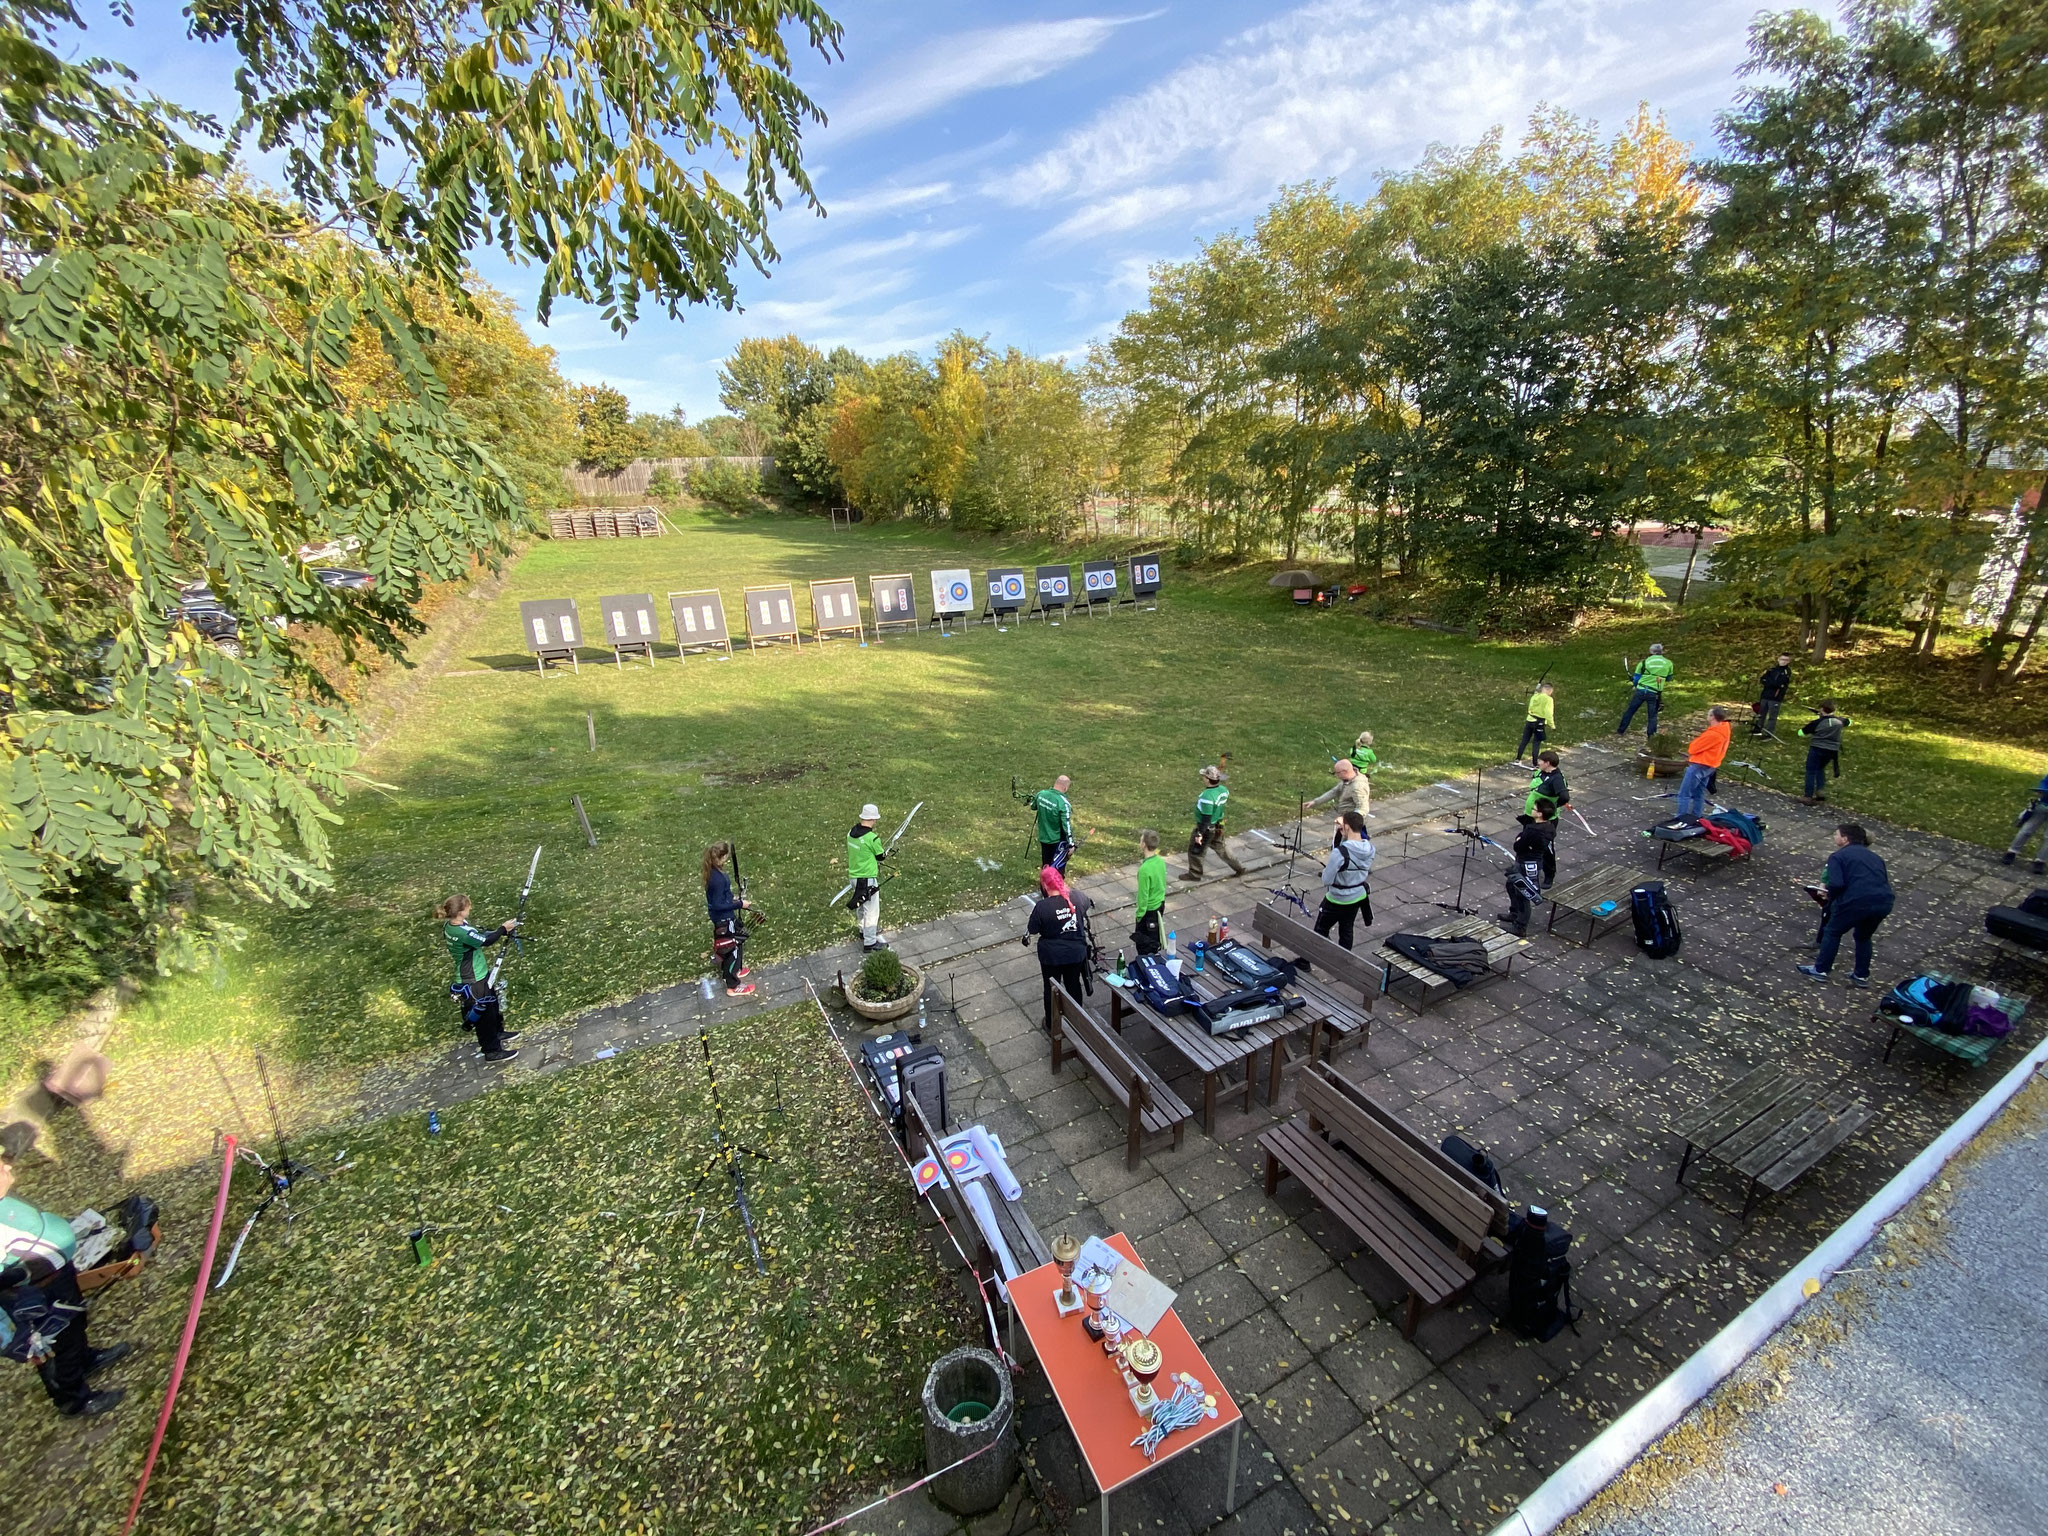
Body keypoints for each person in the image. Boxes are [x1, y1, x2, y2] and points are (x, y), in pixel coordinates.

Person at [1, 1158, 134, 1418]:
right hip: (35, 1294)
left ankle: (84, 1360)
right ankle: (73, 1401)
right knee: (54, 1346)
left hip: (58, 1274)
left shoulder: (5, 1198)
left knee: (74, 1325)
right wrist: (9, 1337)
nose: (8, 1167)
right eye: (0, 1166)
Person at [1799, 824, 1894, 985]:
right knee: (1863, 937)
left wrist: (1828, 895)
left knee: (1833, 932)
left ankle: (1821, 969)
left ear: (1845, 839)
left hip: (1855, 902)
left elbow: (1837, 884)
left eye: (1836, 834)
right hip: (1883, 902)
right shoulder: (1876, 857)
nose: (1834, 837)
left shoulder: (1838, 857)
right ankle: (1861, 975)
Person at [437, 894, 520, 1063]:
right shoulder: (463, 932)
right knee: (485, 1015)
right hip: (474, 979)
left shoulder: (450, 926)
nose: (470, 909)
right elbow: (486, 941)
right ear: (460, 912)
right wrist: (503, 929)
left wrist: (498, 932)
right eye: (468, 907)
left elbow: (480, 936)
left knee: (493, 1004)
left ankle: (498, 1032)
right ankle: (492, 1051)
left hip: (479, 974)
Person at [1023, 866, 1094, 1032]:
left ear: (1045, 886)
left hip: (1051, 958)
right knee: (1073, 985)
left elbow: (1033, 929)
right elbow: (1087, 904)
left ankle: (1051, 1024)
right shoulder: (1076, 897)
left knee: (1051, 989)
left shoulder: (1042, 907)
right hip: (1075, 954)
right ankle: (1076, 1022)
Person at [1314, 811, 1374, 950]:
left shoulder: (1340, 853)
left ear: (1346, 828)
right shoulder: (1370, 849)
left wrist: (1326, 872)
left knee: (1320, 931)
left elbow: (1326, 880)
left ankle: (1306, 962)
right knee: (1346, 932)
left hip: (1336, 899)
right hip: (1357, 897)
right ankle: (1343, 965)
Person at [703, 842, 754, 997]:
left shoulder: (714, 871)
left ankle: (736, 969)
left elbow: (721, 897)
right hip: (724, 919)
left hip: (724, 916)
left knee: (736, 944)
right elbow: (718, 904)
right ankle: (733, 986)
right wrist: (740, 904)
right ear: (723, 857)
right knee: (732, 948)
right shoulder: (717, 879)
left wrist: (733, 898)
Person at [1182, 765, 1245, 881]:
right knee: (1222, 848)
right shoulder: (1223, 790)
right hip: (1218, 825)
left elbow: (1206, 818)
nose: (1203, 778)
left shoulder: (1207, 796)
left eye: (1204, 776)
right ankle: (1239, 867)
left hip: (1206, 828)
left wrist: (1199, 834)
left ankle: (1194, 875)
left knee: (1196, 852)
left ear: (1207, 779)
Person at [1500, 806, 1554, 936]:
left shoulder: (1533, 830)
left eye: (1535, 808)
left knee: (1522, 893)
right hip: (1532, 862)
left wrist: (1519, 839)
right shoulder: (1548, 827)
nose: (1532, 809)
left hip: (1526, 863)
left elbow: (1518, 846)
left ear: (1540, 813)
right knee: (1511, 885)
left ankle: (1520, 926)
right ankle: (1515, 913)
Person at [1676, 707, 1732, 821]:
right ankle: (1696, 815)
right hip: (1711, 765)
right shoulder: (1724, 730)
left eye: (1709, 714)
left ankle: (1681, 818)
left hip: (1700, 764)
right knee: (1699, 793)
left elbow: (1693, 748)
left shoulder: (1714, 734)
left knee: (1684, 793)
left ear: (1713, 717)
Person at [1524, 750, 1570, 886]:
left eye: (1540, 761)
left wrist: (1551, 808)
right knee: (1527, 842)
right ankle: (1527, 869)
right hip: (1531, 815)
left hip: (1545, 820)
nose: (1538, 763)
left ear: (1548, 763)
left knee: (1545, 847)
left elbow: (1564, 797)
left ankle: (1549, 875)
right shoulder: (1540, 772)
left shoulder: (1557, 779)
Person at [846, 804, 888, 951]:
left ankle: (863, 931)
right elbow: (881, 856)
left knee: (861, 905)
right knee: (871, 910)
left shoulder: (851, 832)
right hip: (867, 878)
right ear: (871, 819)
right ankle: (870, 942)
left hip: (854, 876)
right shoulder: (872, 838)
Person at [1303, 759, 1370, 843]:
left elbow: (1363, 808)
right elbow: (1334, 791)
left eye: (1337, 773)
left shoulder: (1357, 787)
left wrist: (1345, 820)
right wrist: (1315, 802)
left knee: (1346, 849)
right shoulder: (1348, 779)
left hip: (1352, 826)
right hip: (1344, 823)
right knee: (1338, 844)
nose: (1336, 775)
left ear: (1345, 772)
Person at [1615, 643, 1674, 736]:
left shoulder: (1644, 662)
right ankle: (1651, 737)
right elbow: (1669, 678)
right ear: (1662, 651)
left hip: (1641, 690)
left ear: (1651, 651)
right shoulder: (1668, 663)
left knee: (1630, 711)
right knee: (1652, 716)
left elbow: (1637, 678)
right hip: (1655, 693)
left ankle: (1620, 731)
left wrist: (1635, 684)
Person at [1798, 699, 1849, 802]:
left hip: (1817, 748)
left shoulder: (1817, 723)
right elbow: (1849, 721)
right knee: (1820, 769)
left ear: (1822, 709)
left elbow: (1801, 733)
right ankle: (1820, 791)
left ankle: (1808, 796)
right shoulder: (1839, 722)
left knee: (1811, 771)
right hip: (1831, 751)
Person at [2003, 768, 2048, 875]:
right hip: (2043, 805)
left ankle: (2040, 861)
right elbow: (2044, 783)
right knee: (2026, 830)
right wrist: (2042, 790)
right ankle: (2012, 852)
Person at [1132, 830, 1167, 956]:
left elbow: (1143, 895)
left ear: (1144, 844)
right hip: (1159, 906)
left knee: (1143, 945)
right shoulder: (1160, 861)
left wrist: (1139, 915)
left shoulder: (1144, 870)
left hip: (1148, 911)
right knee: (1154, 940)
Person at [1033, 775, 1075, 872]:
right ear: (1065, 787)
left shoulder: (1041, 794)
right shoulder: (1063, 804)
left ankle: (1044, 885)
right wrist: (1071, 845)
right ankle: (1055, 885)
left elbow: (1033, 806)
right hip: (1057, 841)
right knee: (1058, 867)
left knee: (1046, 864)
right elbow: (1066, 826)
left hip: (1044, 837)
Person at [1753, 654, 1793, 738]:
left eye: (1786, 660)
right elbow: (1763, 679)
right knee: (1761, 713)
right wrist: (1769, 682)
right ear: (1778, 659)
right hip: (1765, 695)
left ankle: (1768, 734)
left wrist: (1769, 682)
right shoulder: (1772, 669)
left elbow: (1779, 683)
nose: (1783, 661)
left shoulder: (1786, 671)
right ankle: (1758, 729)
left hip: (1775, 697)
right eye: (1782, 659)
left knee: (1772, 716)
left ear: (1788, 661)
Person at [1517, 682, 1555, 764]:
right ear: (1549, 691)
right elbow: (1548, 713)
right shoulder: (1549, 699)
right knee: (1536, 743)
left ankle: (1518, 759)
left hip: (1530, 720)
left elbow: (1530, 707)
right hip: (1539, 723)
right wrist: (1552, 725)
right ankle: (1534, 763)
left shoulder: (1535, 696)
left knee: (1524, 740)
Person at [1346, 732, 1377, 815]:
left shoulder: (1355, 748)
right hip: (1361, 772)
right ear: (1369, 742)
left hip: (1352, 769)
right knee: (1361, 786)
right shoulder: (1369, 752)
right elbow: (1374, 760)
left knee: (1351, 784)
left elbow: (1351, 754)